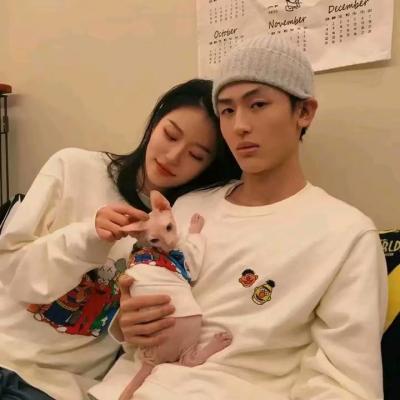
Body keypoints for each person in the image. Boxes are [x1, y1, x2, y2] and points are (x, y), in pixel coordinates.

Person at [108, 35, 388, 400]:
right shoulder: (189, 206)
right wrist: (129, 323)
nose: (239, 125)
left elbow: (347, 386)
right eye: (227, 111)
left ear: (304, 112)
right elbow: (141, 325)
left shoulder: (346, 235)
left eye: (257, 104)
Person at [0, 78, 241, 400]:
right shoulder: (74, 167)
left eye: (196, 155)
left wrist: (128, 328)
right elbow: (11, 272)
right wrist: (88, 236)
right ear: (154, 122)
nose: (173, 156)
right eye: (170, 135)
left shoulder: (178, 229)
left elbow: (130, 332)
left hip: (57, 387)